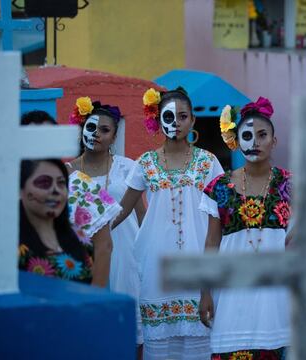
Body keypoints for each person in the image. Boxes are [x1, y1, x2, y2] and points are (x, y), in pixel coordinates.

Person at [198, 98, 306, 359]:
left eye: (262, 135)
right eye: (247, 135)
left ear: (274, 141)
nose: (255, 142)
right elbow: (211, 243)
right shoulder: (218, 187)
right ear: (236, 141)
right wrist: (205, 292)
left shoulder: (288, 183)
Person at [114, 87, 224, 360]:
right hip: (157, 267)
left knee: (199, 344)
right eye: (169, 116)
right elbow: (122, 209)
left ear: (193, 120)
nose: (176, 122)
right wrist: (88, 232)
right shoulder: (145, 163)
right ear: (158, 119)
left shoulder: (208, 162)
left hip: (200, 264)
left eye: (183, 116)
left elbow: (222, 214)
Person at [0, 110, 119, 288]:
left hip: (74, 291)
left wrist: (94, 299)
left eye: (46, 139)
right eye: (32, 139)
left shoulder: (85, 186)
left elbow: (104, 247)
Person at [67, 97, 146, 350]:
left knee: (131, 328)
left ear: (114, 138)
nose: (96, 134)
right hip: (87, 253)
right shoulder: (67, 172)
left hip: (126, 253)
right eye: (91, 128)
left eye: (104, 130)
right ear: (82, 130)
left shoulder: (127, 169)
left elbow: (141, 213)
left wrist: (146, 255)